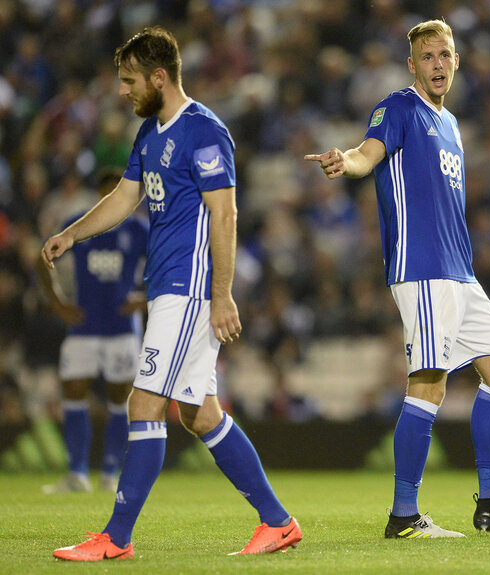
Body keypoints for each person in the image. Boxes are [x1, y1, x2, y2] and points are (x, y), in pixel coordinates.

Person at [44, 27, 301, 560]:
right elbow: (124, 197)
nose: (123, 91)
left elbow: (224, 212)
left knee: (145, 402)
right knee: (200, 413)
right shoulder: (151, 133)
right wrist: (73, 233)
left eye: (130, 80)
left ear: (159, 77)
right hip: (167, 287)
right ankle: (278, 522)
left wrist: (222, 293)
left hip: (188, 290)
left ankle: (115, 538)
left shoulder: (204, 131)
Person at [305, 19, 490, 538]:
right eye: (428, 57)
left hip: (460, 272)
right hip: (422, 270)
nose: (438, 64)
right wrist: (342, 161)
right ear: (412, 65)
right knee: (428, 386)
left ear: (457, 61)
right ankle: (404, 515)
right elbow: (366, 154)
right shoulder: (398, 107)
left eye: (446, 55)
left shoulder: (452, 123)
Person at [39, 167, 147, 495]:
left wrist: (144, 299)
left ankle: (109, 473)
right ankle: (77, 474)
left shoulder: (139, 229)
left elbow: (169, 264)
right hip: (84, 325)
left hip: (122, 328)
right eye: (108, 193)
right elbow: (42, 258)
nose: (113, 198)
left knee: (119, 398)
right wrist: (58, 303)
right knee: (73, 391)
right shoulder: (79, 225)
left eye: (119, 192)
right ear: (99, 196)